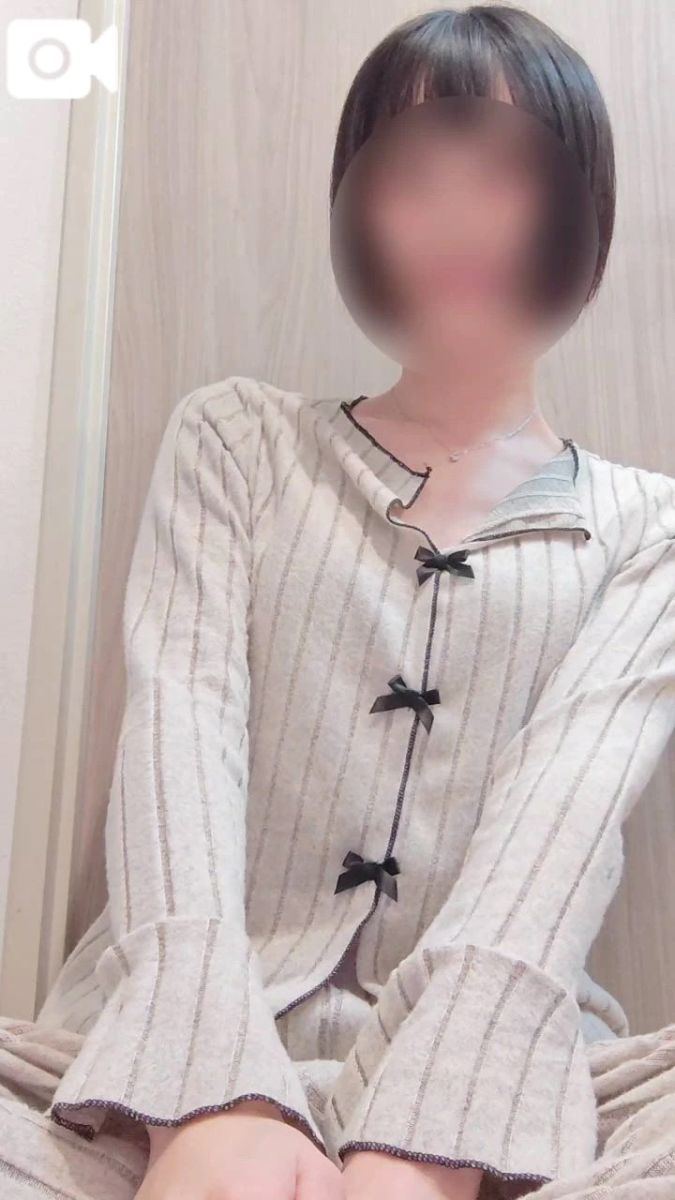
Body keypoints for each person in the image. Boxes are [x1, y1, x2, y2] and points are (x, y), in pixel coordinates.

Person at [1, 6, 674, 1200]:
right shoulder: (236, 441)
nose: (456, 215)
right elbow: (179, 736)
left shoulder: (648, 529)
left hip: (515, 1082)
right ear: (354, 212)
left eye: (507, 173)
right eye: (409, 176)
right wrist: (207, 1095)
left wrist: (433, 1137)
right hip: (163, 1048)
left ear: (586, 212)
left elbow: (562, 825)